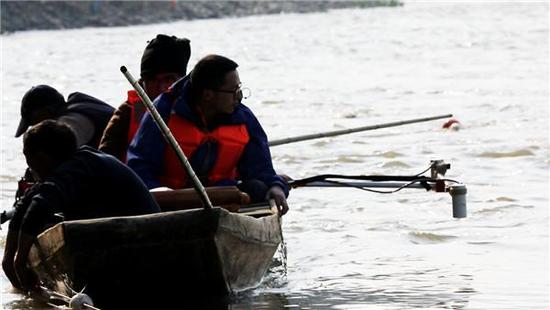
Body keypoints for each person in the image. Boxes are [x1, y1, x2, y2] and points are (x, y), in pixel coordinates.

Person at [3, 120, 160, 292]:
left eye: (28, 158)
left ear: (42, 157)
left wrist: (19, 262)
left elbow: (40, 206)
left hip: (143, 245)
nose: (29, 167)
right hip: (123, 240)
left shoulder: (79, 168)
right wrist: (8, 257)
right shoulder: (79, 162)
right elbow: (27, 202)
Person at [127, 54, 289, 214]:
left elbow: (261, 168)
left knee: (258, 188)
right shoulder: (164, 111)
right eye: (233, 91)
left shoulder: (244, 117)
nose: (239, 97)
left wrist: (276, 186)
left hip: (221, 197)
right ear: (208, 95)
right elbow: (140, 165)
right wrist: (158, 195)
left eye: (240, 89)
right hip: (173, 201)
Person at [99, 34, 191, 161]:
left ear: (181, 80)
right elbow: (104, 160)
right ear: (143, 82)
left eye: (169, 79)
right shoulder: (127, 113)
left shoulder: (198, 109)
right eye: (153, 80)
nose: (161, 87)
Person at [15, 84, 114, 148]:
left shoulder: (72, 122)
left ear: (48, 111)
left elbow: (60, 157)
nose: (35, 127)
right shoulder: (80, 105)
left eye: (34, 122)